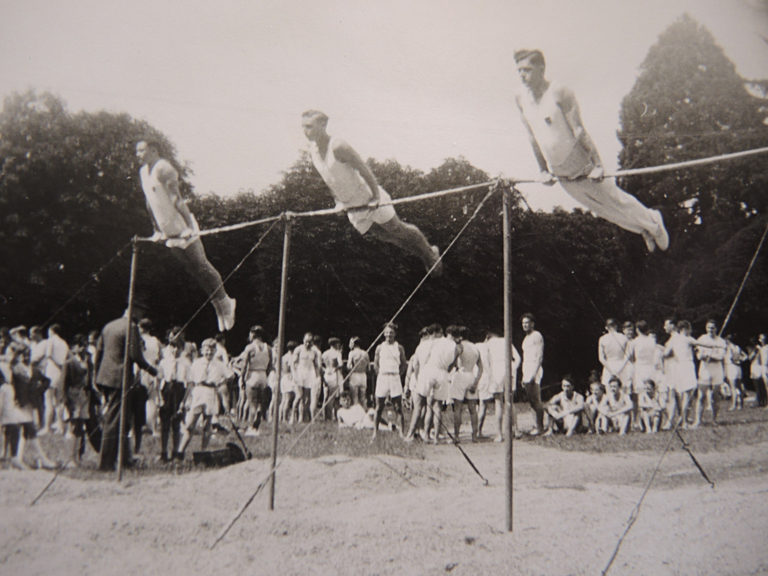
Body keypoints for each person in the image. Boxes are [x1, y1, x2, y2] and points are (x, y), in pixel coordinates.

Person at [513, 49, 669, 253]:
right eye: (519, 71)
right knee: (601, 209)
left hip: (581, 162)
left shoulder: (560, 92)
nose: (522, 76)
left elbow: (578, 130)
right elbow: (533, 137)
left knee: (615, 200)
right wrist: (543, 170)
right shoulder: (520, 99)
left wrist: (597, 164)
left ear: (541, 68)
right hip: (559, 170)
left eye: (527, 70)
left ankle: (653, 221)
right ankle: (644, 229)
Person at [301, 110, 442, 275]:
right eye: (303, 127)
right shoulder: (313, 151)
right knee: (388, 237)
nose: (305, 131)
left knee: (396, 229)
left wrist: (375, 197)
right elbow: (329, 179)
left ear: (323, 125)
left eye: (309, 126)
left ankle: (430, 253)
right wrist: (338, 201)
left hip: (367, 197)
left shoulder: (338, 146)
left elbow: (364, 169)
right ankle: (424, 257)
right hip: (351, 205)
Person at [135, 138, 236, 332]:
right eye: (137, 151)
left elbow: (177, 199)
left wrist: (190, 225)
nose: (138, 155)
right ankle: (216, 304)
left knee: (202, 265)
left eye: (141, 150)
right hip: (167, 230)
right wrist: (156, 229)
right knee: (192, 270)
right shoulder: (142, 173)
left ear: (154, 150)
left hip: (182, 226)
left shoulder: (164, 168)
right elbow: (150, 204)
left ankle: (226, 301)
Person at [94, 298, 158, 471]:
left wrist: (96, 378)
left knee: (122, 419)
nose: (141, 316)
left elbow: (98, 353)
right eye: (141, 312)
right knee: (115, 420)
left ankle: (124, 459)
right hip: (120, 378)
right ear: (134, 310)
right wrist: (153, 370)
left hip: (106, 378)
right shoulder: (131, 327)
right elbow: (136, 356)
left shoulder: (109, 326)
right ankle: (106, 463)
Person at [178, 339, 230, 459]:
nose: (209, 353)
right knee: (190, 424)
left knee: (207, 425)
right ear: (202, 351)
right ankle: (180, 452)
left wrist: (221, 382)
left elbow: (230, 375)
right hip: (198, 392)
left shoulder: (219, 364)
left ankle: (203, 453)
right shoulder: (196, 363)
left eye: (212, 350)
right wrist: (185, 399)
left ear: (215, 351)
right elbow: (190, 382)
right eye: (206, 350)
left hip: (211, 393)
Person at [476, 331, 521, 442]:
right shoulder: (507, 340)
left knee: (498, 403)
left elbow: (485, 361)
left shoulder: (487, 344)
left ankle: (499, 434)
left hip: (496, 371)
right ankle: (516, 430)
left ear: (487, 338)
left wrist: (489, 374)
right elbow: (518, 358)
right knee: (510, 401)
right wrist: (513, 368)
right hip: (510, 370)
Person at [61, 335, 94, 465]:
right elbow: (63, 384)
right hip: (73, 396)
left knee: (80, 427)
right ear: (73, 347)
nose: (82, 348)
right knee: (73, 426)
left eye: (84, 345)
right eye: (79, 345)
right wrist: (66, 401)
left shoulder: (87, 362)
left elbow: (89, 381)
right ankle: (70, 458)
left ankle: (77, 457)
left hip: (84, 396)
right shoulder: (69, 363)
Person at [156, 338, 191, 462]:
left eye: (178, 347)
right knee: (164, 424)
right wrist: (159, 398)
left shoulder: (186, 363)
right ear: (169, 347)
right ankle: (163, 452)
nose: (175, 350)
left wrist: (184, 401)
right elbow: (158, 381)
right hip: (166, 390)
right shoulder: (164, 362)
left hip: (179, 391)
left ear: (182, 349)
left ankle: (176, 452)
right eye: (173, 346)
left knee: (176, 423)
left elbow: (189, 384)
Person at [372, 324, 407, 440]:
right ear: (383, 333)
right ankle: (375, 433)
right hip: (383, 377)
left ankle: (401, 433)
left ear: (395, 334)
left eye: (391, 332)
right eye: (386, 332)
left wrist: (397, 375)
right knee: (379, 406)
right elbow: (376, 364)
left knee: (398, 407)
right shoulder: (379, 347)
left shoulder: (399, 347)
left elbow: (403, 364)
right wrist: (381, 375)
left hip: (395, 378)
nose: (388, 335)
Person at [662, 320, 699, 430]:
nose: (664, 327)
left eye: (666, 325)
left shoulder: (675, 338)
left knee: (676, 395)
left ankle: (676, 421)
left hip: (676, 368)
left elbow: (666, 354)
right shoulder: (682, 338)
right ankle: (681, 421)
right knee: (682, 395)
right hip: (678, 368)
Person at [236, 326, 272, 436]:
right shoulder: (268, 348)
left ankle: (252, 428)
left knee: (252, 403)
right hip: (263, 375)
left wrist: (242, 378)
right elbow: (270, 365)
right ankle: (258, 419)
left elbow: (244, 365)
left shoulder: (250, 347)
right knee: (260, 403)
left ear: (253, 334)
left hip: (252, 375)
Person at [450, 326, 483, 442]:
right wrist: (476, 382)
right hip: (471, 376)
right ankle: (474, 436)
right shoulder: (475, 348)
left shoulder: (459, 346)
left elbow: (453, 362)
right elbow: (481, 368)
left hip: (460, 375)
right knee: (473, 409)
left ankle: (457, 436)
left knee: (458, 408)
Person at [694, 319, 727, 427]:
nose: (710, 330)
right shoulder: (702, 339)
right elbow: (699, 355)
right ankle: (698, 420)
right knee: (701, 396)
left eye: (712, 328)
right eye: (708, 327)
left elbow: (721, 357)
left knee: (715, 396)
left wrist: (710, 356)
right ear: (706, 328)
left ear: (716, 329)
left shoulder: (721, 341)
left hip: (717, 371)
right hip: (705, 371)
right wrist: (703, 356)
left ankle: (714, 419)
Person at [521, 313, 545, 435]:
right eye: (523, 323)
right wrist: (524, 375)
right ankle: (534, 425)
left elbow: (539, 356)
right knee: (531, 400)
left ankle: (540, 427)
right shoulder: (526, 339)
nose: (525, 325)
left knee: (536, 400)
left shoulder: (537, 335)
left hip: (534, 370)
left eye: (527, 322)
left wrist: (533, 374)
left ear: (532, 324)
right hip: (527, 369)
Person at [293, 333, 322, 422]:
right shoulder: (298, 349)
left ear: (312, 342)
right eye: (306, 342)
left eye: (310, 342)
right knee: (299, 396)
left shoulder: (314, 351)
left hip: (310, 374)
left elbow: (317, 365)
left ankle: (304, 417)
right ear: (303, 340)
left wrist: (318, 376)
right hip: (300, 373)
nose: (307, 344)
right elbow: (293, 363)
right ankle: (294, 417)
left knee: (307, 398)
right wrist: (295, 375)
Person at [322, 337, 344, 422]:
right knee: (335, 396)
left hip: (327, 373)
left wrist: (326, 370)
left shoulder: (325, 353)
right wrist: (335, 368)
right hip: (335, 374)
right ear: (334, 344)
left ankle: (326, 416)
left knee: (326, 396)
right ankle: (333, 415)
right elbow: (341, 364)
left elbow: (321, 364)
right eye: (338, 343)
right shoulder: (337, 353)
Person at [725, 334, 746, 411]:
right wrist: (740, 361)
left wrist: (735, 361)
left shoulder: (729, 347)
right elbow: (745, 356)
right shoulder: (737, 347)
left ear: (728, 340)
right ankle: (741, 405)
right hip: (738, 367)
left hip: (731, 367)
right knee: (739, 386)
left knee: (733, 387)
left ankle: (734, 405)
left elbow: (731, 358)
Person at [347, 337, 370, 407]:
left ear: (353, 344)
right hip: (363, 376)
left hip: (355, 375)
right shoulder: (365, 353)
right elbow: (368, 367)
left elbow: (349, 366)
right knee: (363, 397)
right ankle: (363, 414)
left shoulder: (352, 353)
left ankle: (356, 415)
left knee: (355, 397)